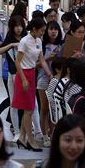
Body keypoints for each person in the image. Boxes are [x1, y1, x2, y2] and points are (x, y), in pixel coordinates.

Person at [13, 18, 52, 152]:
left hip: (32, 74)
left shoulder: (39, 41)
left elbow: (41, 60)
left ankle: (22, 138)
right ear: (34, 29)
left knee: (28, 108)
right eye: (41, 30)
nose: (43, 33)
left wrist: (49, 74)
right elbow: (17, 62)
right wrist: (23, 79)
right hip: (23, 75)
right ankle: (30, 140)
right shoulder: (24, 41)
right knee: (28, 109)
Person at [37, 21, 63, 145]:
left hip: (57, 80)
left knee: (54, 108)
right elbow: (35, 65)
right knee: (44, 108)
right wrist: (48, 59)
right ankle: (44, 135)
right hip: (42, 79)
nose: (53, 31)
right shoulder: (41, 45)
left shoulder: (61, 46)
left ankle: (53, 134)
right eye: (51, 29)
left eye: (56, 29)